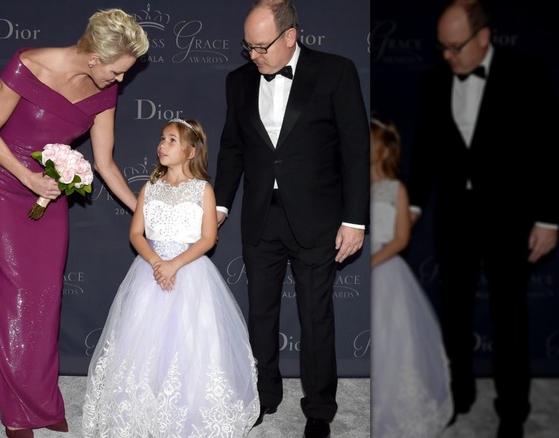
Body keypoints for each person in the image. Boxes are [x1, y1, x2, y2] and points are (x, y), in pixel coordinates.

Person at [0, 8, 148, 438]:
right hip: (8, 184)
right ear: (93, 58)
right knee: (15, 295)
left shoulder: (104, 91)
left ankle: (43, 401)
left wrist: (143, 211)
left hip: (50, 194)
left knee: (46, 296)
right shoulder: (29, 65)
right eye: (117, 71)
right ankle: (16, 412)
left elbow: (104, 164)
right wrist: (28, 177)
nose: (120, 80)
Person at [212, 1, 370, 436]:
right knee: (260, 313)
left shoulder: (335, 71)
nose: (254, 56)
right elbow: (232, 148)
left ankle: (319, 409)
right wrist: (220, 205)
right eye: (248, 47)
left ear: (290, 36)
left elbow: (356, 149)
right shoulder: (238, 81)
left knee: (315, 317)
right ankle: (263, 396)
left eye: (261, 47)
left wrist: (355, 220)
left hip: (318, 219)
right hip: (260, 216)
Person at [407, 1, 558, 437]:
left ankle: (513, 411)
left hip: (511, 220)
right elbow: (425, 152)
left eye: (456, 47)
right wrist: (411, 208)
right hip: (454, 220)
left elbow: (550, 149)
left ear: (484, 37)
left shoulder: (528, 72)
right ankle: (459, 396)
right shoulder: (433, 80)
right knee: (454, 314)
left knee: (509, 317)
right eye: (442, 47)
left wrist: (549, 220)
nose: (448, 56)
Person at [81, 117, 260, 437]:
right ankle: (142, 411)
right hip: (150, 272)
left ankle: (188, 410)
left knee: (191, 342)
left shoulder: (203, 189)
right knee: (143, 344)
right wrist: (156, 263)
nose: (163, 145)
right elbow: (136, 233)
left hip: (190, 272)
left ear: (191, 152)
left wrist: (174, 265)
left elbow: (208, 239)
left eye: (172, 140)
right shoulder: (150, 188)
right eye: (162, 138)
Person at [369, 118, 453, 438]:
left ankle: (395, 406)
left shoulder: (396, 189)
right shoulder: (354, 186)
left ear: (382, 150)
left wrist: (373, 262)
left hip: (387, 272)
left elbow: (402, 238)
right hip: (364, 266)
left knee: (393, 340)